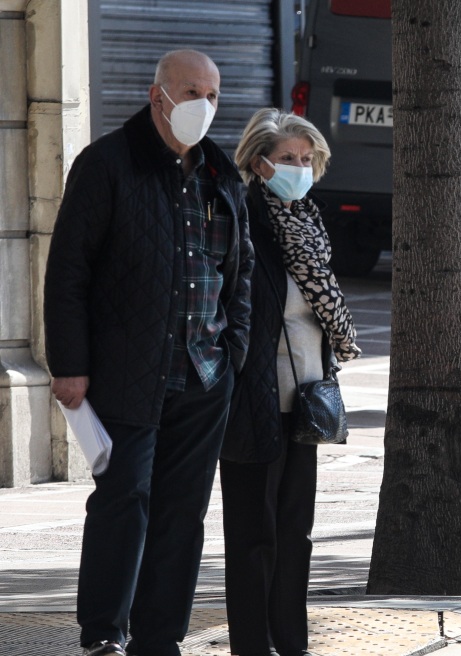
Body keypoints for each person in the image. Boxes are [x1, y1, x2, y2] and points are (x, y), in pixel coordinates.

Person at [43, 50, 253, 656]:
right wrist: (70, 365)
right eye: (192, 92)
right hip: (126, 371)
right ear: (157, 94)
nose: (204, 107)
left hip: (205, 374)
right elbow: (68, 272)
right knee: (124, 498)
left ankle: (160, 639)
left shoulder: (220, 173)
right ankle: (105, 633)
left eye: (213, 95)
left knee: (182, 514)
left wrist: (232, 353)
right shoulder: (107, 163)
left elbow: (238, 273)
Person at [219, 109, 361, 656]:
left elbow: (320, 313)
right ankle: (251, 646)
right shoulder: (242, 219)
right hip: (252, 396)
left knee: (295, 533)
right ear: (259, 163)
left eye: (306, 159)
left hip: (305, 398)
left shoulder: (308, 221)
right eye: (287, 159)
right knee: (254, 535)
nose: (299, 168)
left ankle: (291, 643)